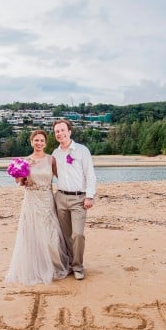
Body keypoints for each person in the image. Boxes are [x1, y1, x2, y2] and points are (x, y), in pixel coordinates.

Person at [5, 130, 70, 285]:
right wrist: (20, 178)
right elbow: (20, 182)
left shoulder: (51, 160)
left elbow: (62, 177)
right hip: (31, 199)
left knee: (51, 235)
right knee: (32, 234)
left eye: (41, 140)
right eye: (36, 140)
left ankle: (53, 265)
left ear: (45, 143)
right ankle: (35, 267)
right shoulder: (25, 161)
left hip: (47, 200)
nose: (39, 143)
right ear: (32, 142)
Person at [51, 119, 97, 280]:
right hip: (61, 198)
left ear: (69, 132)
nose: (60, 133)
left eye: (62, 130)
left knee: (77, 234)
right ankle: (70, 264)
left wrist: (89, 196)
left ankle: (78, 266)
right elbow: (54, 174)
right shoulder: (55, 154)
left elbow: (90, 174)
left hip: (79, 199)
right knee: (65, 235)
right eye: (57, 131)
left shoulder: (82, 150)